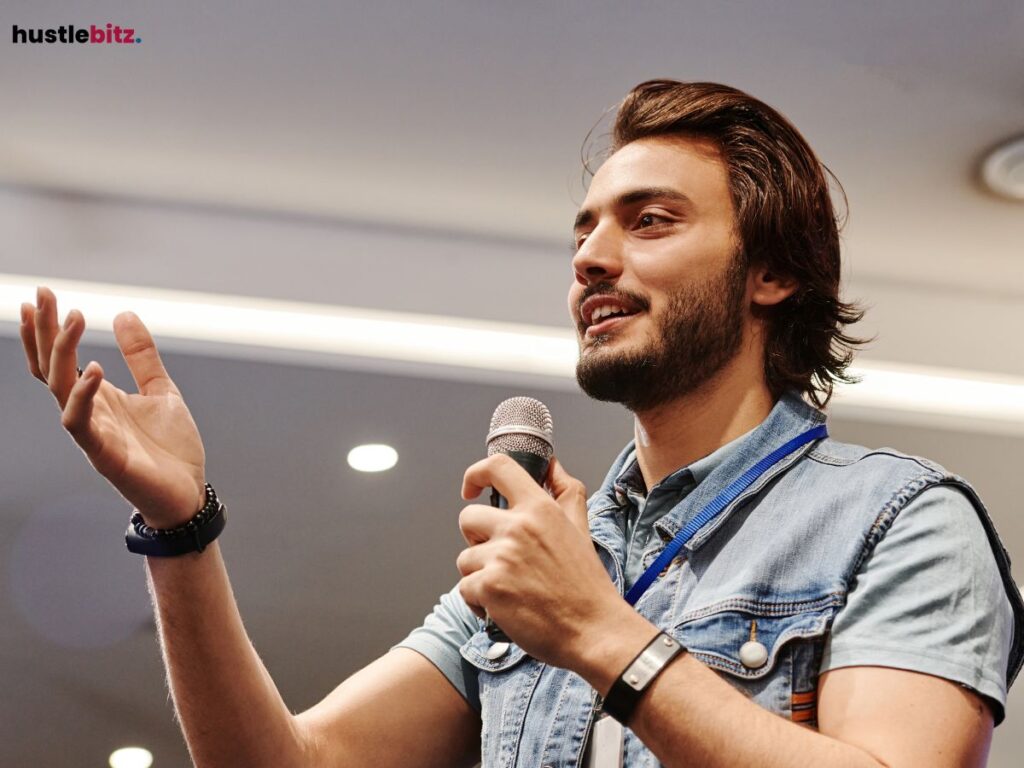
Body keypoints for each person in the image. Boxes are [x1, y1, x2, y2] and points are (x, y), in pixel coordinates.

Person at [19, 79, 1023, 768]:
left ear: (772, 273)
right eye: (583, 228)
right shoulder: (550, 559)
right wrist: (181, 529)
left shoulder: (901, 521)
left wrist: (602, 636)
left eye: (650, 220)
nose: (590, 255)